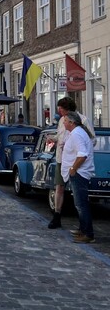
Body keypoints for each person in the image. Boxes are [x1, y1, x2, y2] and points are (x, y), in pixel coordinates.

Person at [48, 97, 95, 229]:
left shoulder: (83, 120)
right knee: (59, 187)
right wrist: (53, 139)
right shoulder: (62, 121)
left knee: (78, 193)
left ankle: (83, 226)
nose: (59, 113)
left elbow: (91, 140)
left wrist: (76, 150)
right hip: (61, 158)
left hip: (76, 161)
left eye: (61, 109)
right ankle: (57, 216)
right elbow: (60, 136)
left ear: (67, 109)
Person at [61, 111, 96, 243]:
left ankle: (88, 233)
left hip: (80, 173)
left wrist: (73, 168)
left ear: (71, 122)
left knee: (81, 204)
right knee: (79, 203)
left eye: (65, 121)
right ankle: (82, 229)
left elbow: (82, 154)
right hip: (79, 172)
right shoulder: (76, 133)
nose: (63, 123)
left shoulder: (77, 134)